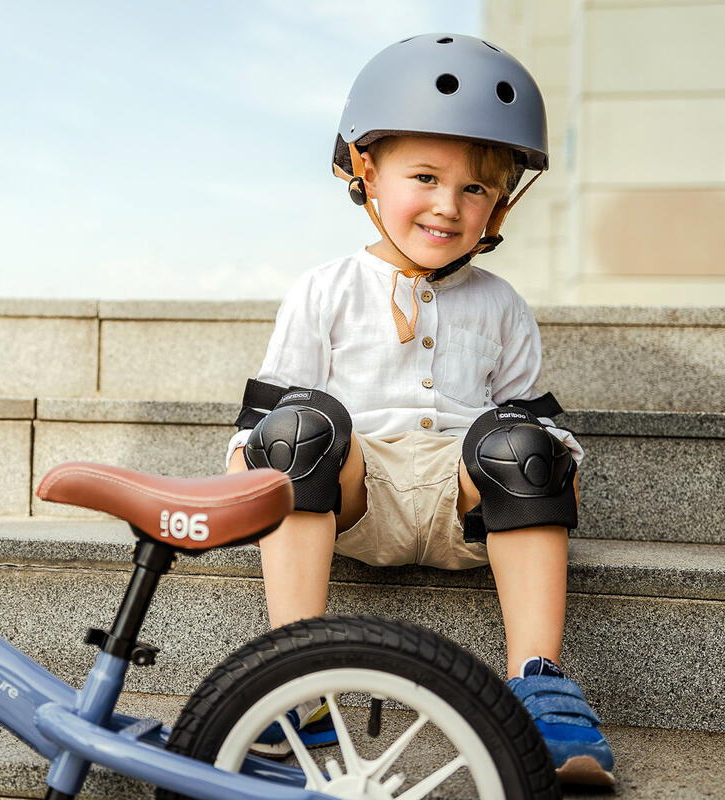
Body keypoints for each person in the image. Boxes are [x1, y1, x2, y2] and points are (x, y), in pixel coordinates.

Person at [225, 33, 615, 787]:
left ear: (501, 202)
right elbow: (266, 417)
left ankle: (539, 686)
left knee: (521, 445)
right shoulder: (326, 288)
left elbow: (528, 410)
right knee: (298, 430)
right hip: (354, 494)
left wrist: (554, 456)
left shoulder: (502, 304)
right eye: (426, 177)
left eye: (475, 189)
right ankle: (293, 674)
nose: (448, 205)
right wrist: (256, 455)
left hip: (462, 501)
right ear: (367, 172)